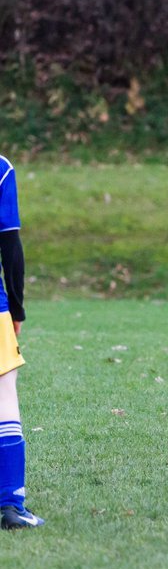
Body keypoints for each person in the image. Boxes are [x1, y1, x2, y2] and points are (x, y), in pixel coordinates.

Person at [0, 154, 40, 528]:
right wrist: (17, 310)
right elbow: (10, 245)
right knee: (4, 395)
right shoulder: (1, 168)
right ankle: (11, 505)